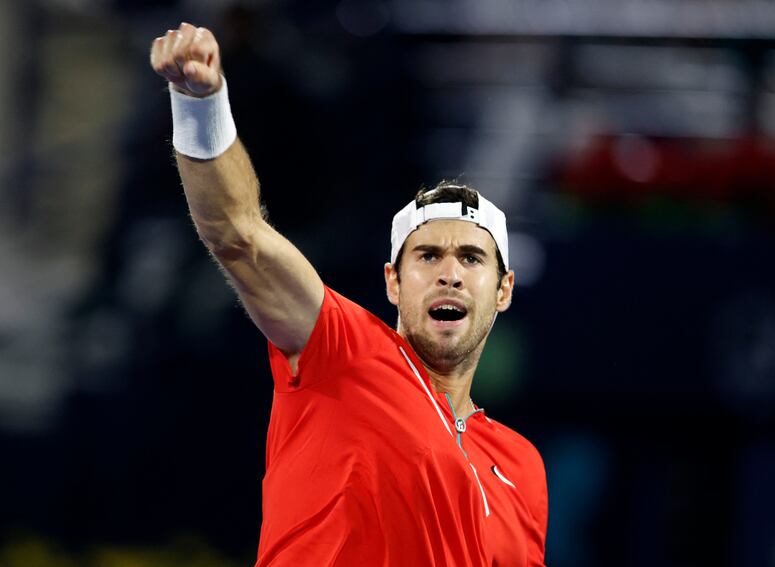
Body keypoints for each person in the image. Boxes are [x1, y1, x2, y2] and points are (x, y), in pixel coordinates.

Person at [150, 22, 548, 567]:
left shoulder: (521, 465)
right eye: (427, 256)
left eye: (471, 258)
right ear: (393, 282)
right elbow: (239, 235)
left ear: (503, 290)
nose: (449, 274)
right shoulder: (342, 350)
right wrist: (200, 102)